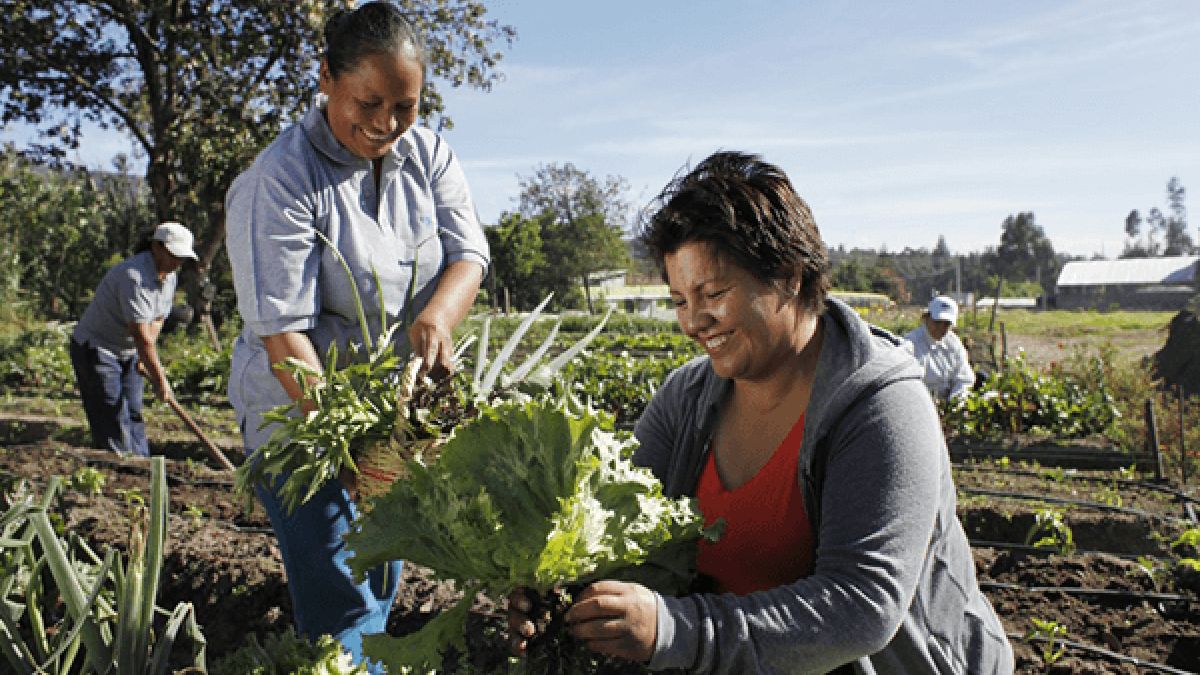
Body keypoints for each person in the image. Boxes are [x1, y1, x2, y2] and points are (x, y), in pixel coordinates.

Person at [508, 151, 1012, 674]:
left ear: (789, 276)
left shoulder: (880, 404)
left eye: (714, 293)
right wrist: (560, 597)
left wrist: (676, 630)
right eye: (679, 299)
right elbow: (618, 530)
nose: (694, 321)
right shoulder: (685, 399)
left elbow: (862, 608)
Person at [224, 2, 489, 669]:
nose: (386, 124)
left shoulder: (427, 155)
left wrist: (438, 317)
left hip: (384, 422)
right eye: (368, 102)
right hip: (300, 421)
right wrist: (348, 449)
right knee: (344, 599)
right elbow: (283, 336)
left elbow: (469, 254)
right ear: (325, 79)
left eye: (405, 106)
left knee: (377, 580)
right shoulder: (281, 179)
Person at [70, 221, 196, 457]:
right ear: (156, 247)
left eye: (181, 258)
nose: (177, 263)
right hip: (98, 349)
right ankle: (121, 473)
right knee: (112, 415)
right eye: (174, 255)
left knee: (134, 412)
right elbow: (141, 336)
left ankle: (142, 468)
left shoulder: (168, 277)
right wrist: (161, 380)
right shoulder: (133, 277)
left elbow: (157, 319)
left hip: (128, 351)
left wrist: (143, 359)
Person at [904, 295, 975, 402]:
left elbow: (964, 379)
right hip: (920, 403)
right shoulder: (909, 343)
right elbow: (908, 386)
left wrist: (955, 404)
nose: (941, 328)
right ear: (926, 318)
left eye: (946, 324)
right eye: (937, 322)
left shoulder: (954, 343)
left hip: (949, 403)